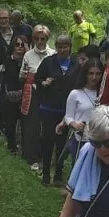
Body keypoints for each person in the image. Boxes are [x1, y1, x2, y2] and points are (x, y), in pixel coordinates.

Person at [33, 34, 79, 186]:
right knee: (47, 140)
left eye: (65, 47)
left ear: (70, 47)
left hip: (66, 110)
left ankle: (58, 175)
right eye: (59, 47)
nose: (62, 49)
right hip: (48, 108)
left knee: (62, 143)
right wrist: (43, 83)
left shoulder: (76, 63)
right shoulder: (48, 62)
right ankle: (46, 174)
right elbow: (37, 79)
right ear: (56, 47)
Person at [59, 59, 103, 181]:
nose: (94, 77)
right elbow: (68, 116)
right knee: (79, 171)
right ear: (85, 74)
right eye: (91, 73)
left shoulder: (104, 93)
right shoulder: (75, 93)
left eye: (98, 74)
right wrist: (74, 124)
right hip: (81, 139)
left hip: (100, 139)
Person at [19, 25, 54, 171]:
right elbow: (21, 74)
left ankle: (45, 156)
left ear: (47, 39)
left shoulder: (53, 54)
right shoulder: (28, 55)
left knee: (46, 125)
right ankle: (31, 156)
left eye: (43, 39)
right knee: (31, 124)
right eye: (37, 39)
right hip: (32, 92)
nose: (40, 41)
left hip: (48, 93)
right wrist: (28, 77)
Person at [0, 36, 29, 153]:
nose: (20, 47)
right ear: (13, 46)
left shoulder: (29, 61)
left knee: (24, 124)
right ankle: (12, 147)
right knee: (10, 123)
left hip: (25, 96)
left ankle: (25, 147)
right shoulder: (7, 60)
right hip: (10, 96)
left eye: (22, 45)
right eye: (17, 44)